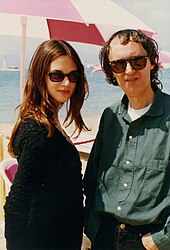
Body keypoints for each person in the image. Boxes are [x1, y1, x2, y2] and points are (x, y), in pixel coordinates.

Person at [83, 29, 170, 250]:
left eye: (138, 61)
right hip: (104, 236)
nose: (129, 70)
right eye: (119, 65)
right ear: (112, 72)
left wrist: (160, 240)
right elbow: (92, 179)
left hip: (150, 241)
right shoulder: (109, 117)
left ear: (152, 62)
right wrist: (92, 226)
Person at [4, 39, 90, 250]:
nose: (66, 83)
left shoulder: (49, 121)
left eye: (73, 76)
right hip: (42, 240)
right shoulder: (38, 130)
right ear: (40, 76)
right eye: (57, 75)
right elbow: (17, 201)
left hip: (60, 237)